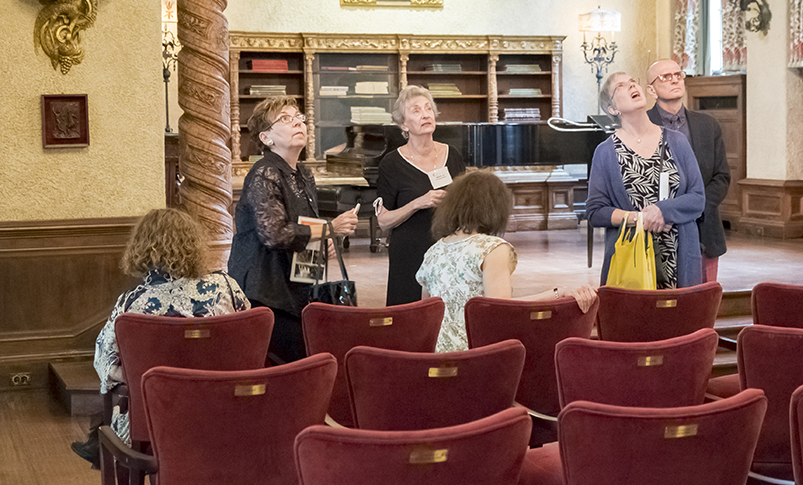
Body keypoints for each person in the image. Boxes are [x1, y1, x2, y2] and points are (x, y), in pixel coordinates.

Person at [73, 208, 249, 465]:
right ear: (194, 245)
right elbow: (248, 336)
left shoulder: (133, 303)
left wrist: (142, 377)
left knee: (119, 402)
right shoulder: (227, 288)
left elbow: (105, 364)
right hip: (222, 408)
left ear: (142, 249)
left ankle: (104, 447)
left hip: (160, 414)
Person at [229, 96, 358, 363]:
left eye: (299, 117)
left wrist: (326, 243)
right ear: (266, 138)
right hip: (265, 290)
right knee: (285, 367)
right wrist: (329, 229)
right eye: (286, 119)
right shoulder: (264, 172)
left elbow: (305, 230)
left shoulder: (303, 174)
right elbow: (273, 233)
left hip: (296, 286)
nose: (298, 122)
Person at [416, 171, 598, 352]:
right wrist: (558, 293)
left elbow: (427, 311)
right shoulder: (492, 248)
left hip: (436, 354)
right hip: (477, 353)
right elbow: (501, 308)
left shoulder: (434, 251)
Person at [587, 71, 706, 289]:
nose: (632, 85)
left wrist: (663, 211)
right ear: (612, 108)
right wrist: (639, 219)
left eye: (633, 81)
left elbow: (697, 198)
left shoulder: (677, 141)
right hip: (631, 262)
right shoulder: (605, 152)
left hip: (679, 258)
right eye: (621, 86)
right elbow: (596, 212)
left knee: (683, 321)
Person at [375, 85, 465, 305]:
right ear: (403, 124)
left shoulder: (452, 155)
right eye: (416, 110)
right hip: (410, 253)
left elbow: (466, 206)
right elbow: (384, 221)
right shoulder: (392, 163)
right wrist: (417, 203)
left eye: (428, 108)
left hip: (450, 252)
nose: (425, 114)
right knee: (410, 318)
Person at [646, 59, 731, 282]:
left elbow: (721, 177)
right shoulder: (640, 124)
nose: (674, 79)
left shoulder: (708, 124)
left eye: (678, 74)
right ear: (651, 89)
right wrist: (665, 212)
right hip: (656, 230)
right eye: (665, 76)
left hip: (703, 228)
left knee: (701, 307)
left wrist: (693, 209)